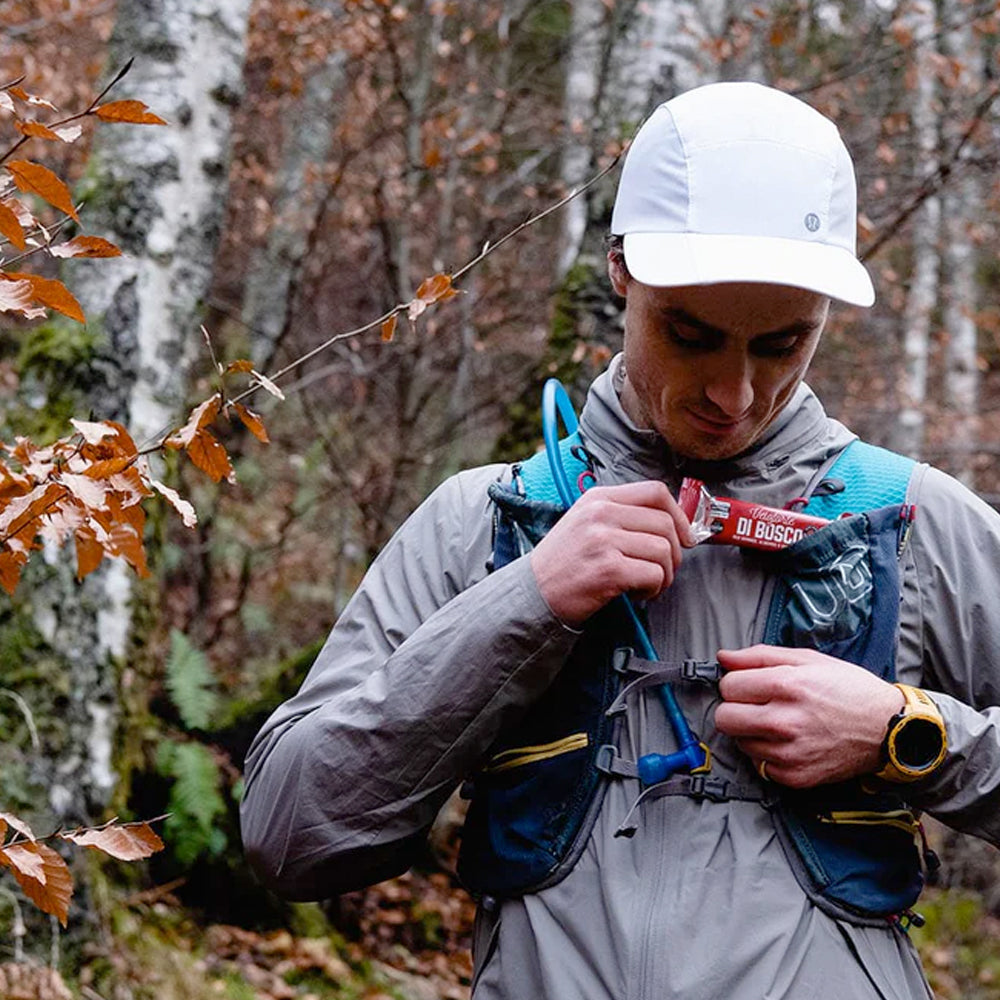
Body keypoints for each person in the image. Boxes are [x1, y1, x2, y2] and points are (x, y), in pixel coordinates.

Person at [240, 82, 1000, 999]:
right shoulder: (485, 519)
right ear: (620, 269)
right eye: (693, 335)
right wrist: (527, 601)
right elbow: (292, 836)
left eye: (783, 344)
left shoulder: (912, 523)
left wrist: (908, 734)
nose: (736, 394)